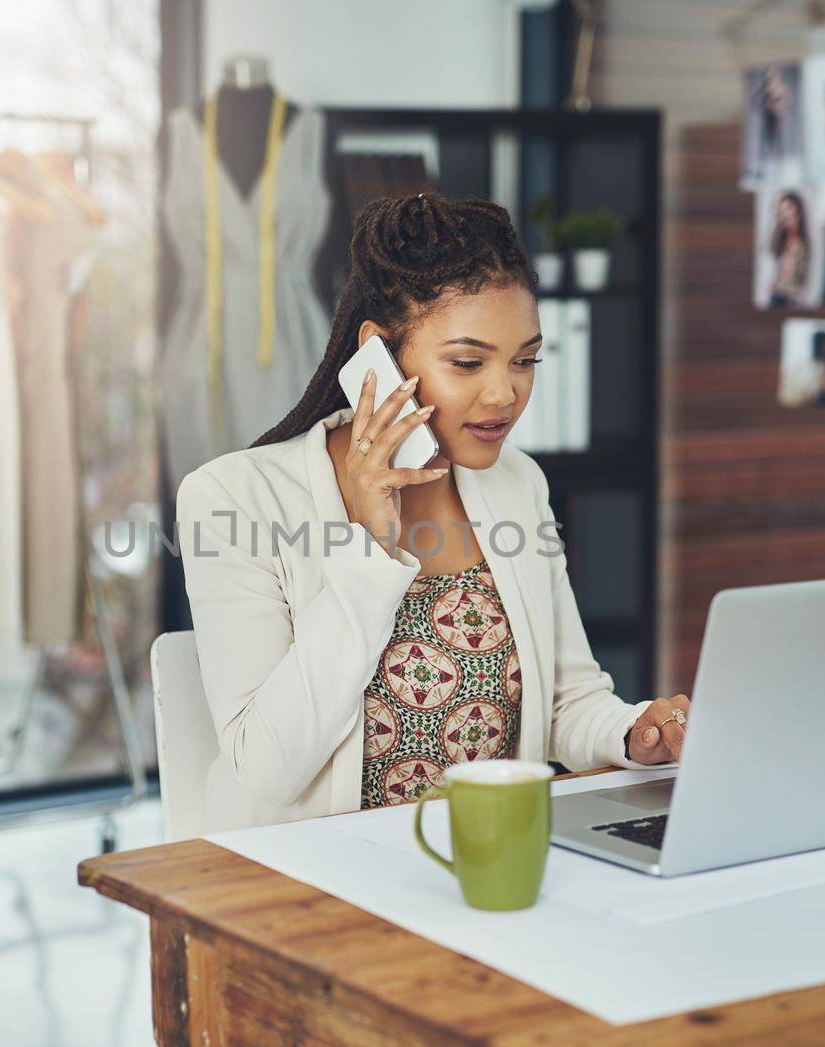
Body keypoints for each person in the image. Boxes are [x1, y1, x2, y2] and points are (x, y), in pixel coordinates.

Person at [176, 194, 689, 830]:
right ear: (378, 359)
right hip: (312, 885)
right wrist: (370, 545)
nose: (505, 393)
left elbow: (566, 702)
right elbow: (269, 770)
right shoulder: (234, 499)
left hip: (484, 861)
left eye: (525, 360)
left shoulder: (517, 485)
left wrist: (631, 734)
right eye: (468, 362)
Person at [767, 191, 811, 307]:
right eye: (782, 211)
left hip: (793, 301)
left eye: (789, 208)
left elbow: (802, 282)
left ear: (798, 210)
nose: (786, 214)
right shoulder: (779, 241)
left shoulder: (805, 244)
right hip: (776, 299)